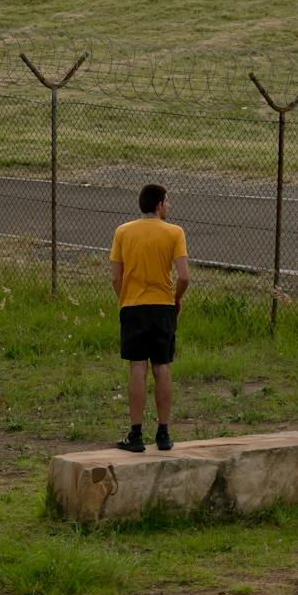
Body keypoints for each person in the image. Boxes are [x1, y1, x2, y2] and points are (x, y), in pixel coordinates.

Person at [109, 182, 190, 452]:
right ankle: (163, 433)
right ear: (159, 204)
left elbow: (115, 276)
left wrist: (124, 300)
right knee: (162, 366)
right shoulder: (174, 232)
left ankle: (135, 434)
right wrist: (176, 298)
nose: (168, 206)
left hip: (132, 306)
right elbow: (184, 276)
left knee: (137, 367)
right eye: (167, 202)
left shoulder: (122, 232)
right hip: (162, 306)